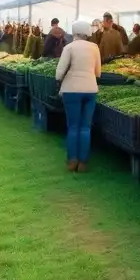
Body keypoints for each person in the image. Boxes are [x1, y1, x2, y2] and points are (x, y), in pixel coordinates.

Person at [56, 20, 101, 172]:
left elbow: (59, 71)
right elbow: (98, 72)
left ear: (74, 32)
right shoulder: (94, 48)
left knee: (73, 126)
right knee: (85, 127)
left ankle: (72, 160)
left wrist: (59, 81)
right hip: (90, 89)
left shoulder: (69, 47)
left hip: (71, 89)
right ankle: (83, 162)